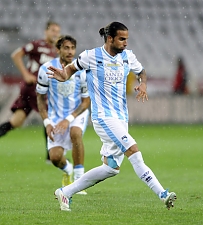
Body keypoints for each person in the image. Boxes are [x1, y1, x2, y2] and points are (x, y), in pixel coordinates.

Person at [47, 21, 177, 211]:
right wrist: (64, 75)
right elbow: (71, 69)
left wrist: (143, 84)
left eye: (127, 39)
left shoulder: (128, 56)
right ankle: (163, 194)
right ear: (110, 39)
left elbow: (142, 72)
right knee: (133, 150)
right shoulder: (91, 56)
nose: (125, 43)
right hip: (103, 117)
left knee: (111, 168)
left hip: (121, 117)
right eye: (121, 39)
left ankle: (65, 192)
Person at [36, 35, 91, 194]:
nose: (70, 51)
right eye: (66, 48)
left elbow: (86, 102)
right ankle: (68, 170)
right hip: (55, 116)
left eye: (72, 48)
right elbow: (40, 98)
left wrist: (68, 120)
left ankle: (79, 182)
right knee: (55, 158)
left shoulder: (81, 70)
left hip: (76, 113)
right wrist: (47, 123)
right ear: (58, 49)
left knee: (75, 133)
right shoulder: (46, 69)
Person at [0, 21, 61, 163]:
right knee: (49, 118)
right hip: (32, 88)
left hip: (38, 89)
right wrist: (25, 74)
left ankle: (50, 155)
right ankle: (50, 157)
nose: (55, 34)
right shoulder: (37, 45)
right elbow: (16, 55)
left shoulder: (55, 51)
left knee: (16, 122)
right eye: (53, 30)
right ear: (46, 31)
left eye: (57, 31)